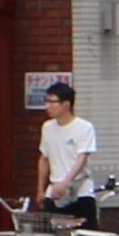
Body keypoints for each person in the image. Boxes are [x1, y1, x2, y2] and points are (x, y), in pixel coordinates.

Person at [37, 78, 102, 222]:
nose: (47, 106)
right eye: (46, 101)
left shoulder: (84, 127)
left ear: (66, 104)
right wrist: (41, 190)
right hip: (54, 190)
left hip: (80, 188)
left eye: (52, 102)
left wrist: (66, 183)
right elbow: (44, 158)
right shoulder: (47, 127)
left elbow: (82, 157)